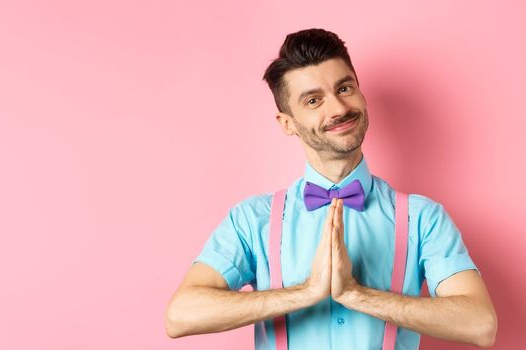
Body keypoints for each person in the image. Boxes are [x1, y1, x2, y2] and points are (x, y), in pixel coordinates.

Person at [164, 28, 497, 349]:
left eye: (344, 88)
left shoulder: (423, 218)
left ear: (361, 93)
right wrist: (306, 292)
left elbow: (480, 325)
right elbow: (180, 315)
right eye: (313, 100)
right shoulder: (252, 220)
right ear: (287, 123)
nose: (338, 109)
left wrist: (356, 294)